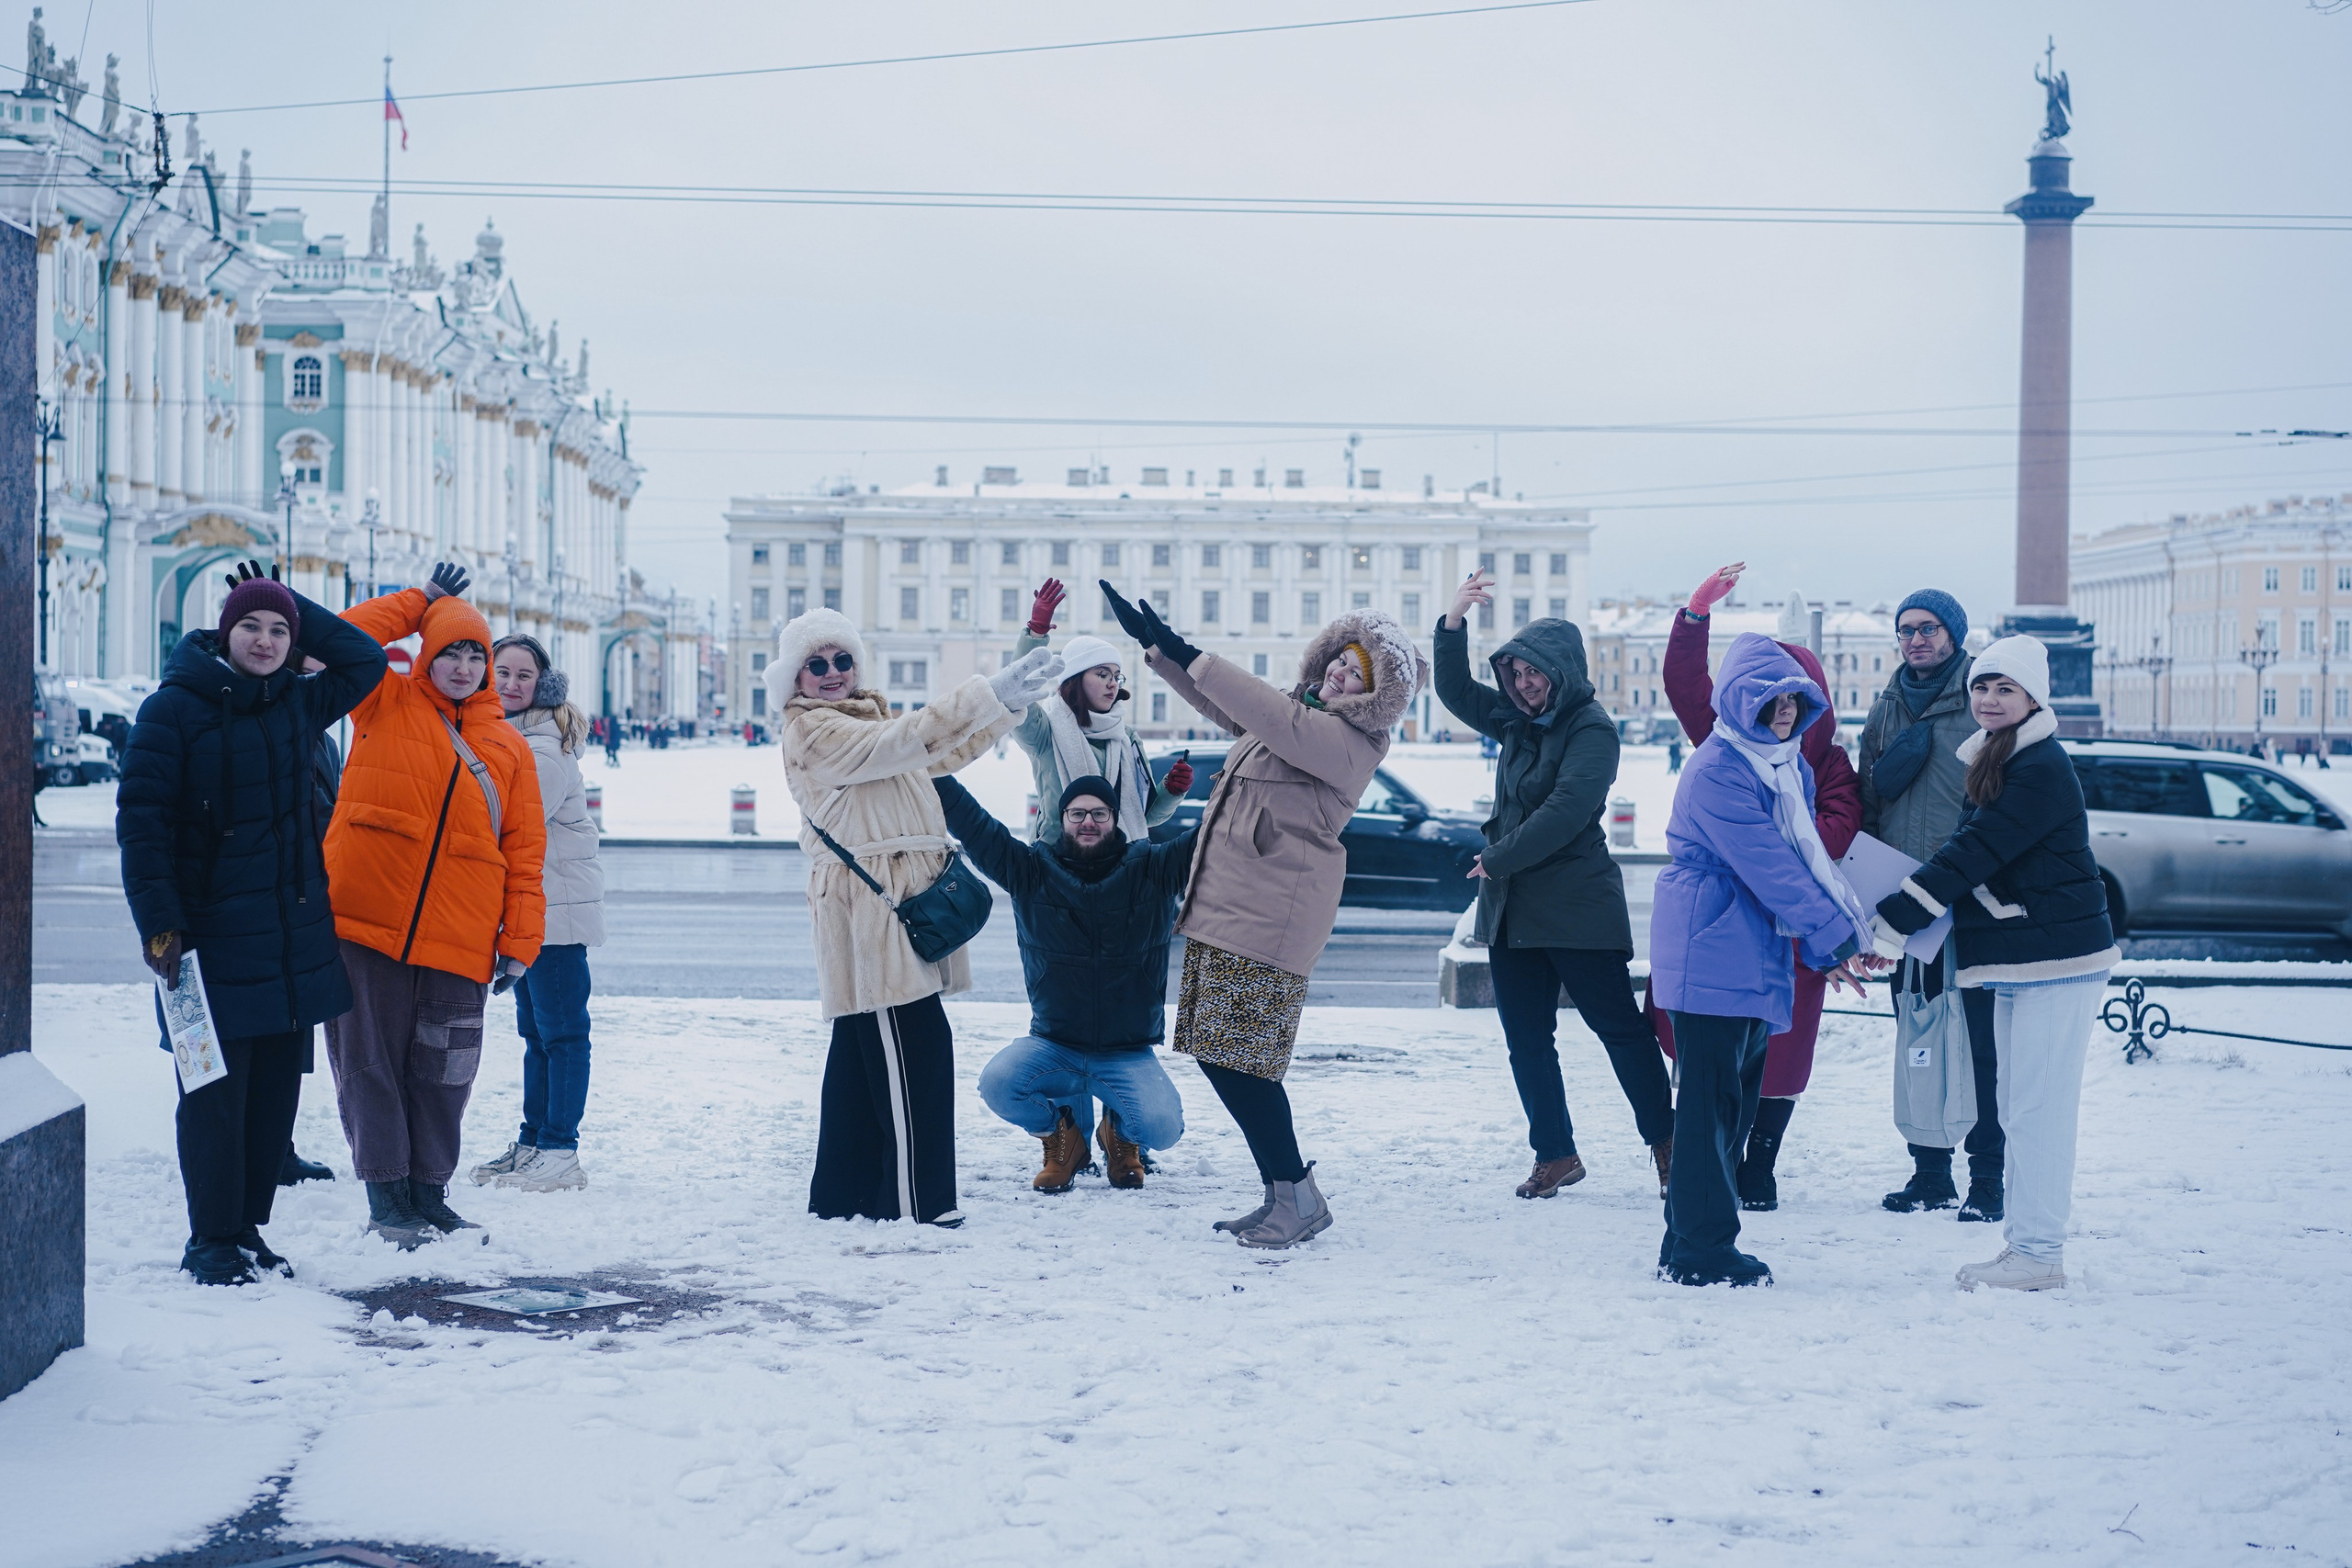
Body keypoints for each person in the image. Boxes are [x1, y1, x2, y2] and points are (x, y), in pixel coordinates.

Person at [1103, 581, 1427, 1248]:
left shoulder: (1349, 742)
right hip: (1230, 910)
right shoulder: (1299, 719)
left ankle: (1297, 1193)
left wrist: (1188, 649)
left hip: (1268, 923)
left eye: (1356, 671)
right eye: (1339, 659)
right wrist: (1158, 652)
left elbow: (1267, 714)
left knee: (1239, 1062)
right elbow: (1233, 709)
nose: (1339, 672)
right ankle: (1283, 1193)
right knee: (1222, 1055)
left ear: (1376, 692)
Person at [117, 561, 388, 1284]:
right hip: (201, 947)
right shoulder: (172, 709)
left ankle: (245, 1232)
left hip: (289, 941)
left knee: (270, 1099)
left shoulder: (296, 703)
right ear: (223, 632)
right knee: (211, 1096)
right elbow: (141, 826)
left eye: (278, 631)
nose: (264, 641)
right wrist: (160, 927)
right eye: (251, 625)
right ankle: (210, 1239)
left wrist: (295, 602)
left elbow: (364, 659)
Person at [774, 605, 1063, 1227]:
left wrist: (1008, 707)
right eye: (816, 663)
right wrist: (990, 690)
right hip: (869, 908)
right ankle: (917, 1202)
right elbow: (907, 740)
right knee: (915, 1046)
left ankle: (845, 1195)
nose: (832, 672)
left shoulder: (862, 722)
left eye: (842, 659)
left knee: (862, 1052)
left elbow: (941, 750)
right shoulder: (814, 731)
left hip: (887, 903)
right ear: (795, 678)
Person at [1870, 636, 2118, 1292]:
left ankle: (2039, 1252)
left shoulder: (2038, 765)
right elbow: (1965, 848)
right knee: (2015, 1105)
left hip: (2056, 959)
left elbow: (1977, 851)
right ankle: (2027, 1245)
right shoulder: (1998, 758)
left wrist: (1897, 917)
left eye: (2004, 689)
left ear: (2033, 697)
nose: (1988, 699)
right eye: (1981, 687)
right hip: (2025, 958)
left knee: (2038, 1108)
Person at [1432, 568, 1675, 1201]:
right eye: (1514, 672)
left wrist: (1499, 857)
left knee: (1619, 1028)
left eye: (1533, 672)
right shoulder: (1515, 718)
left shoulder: (1591, 727)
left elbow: (1568, 810)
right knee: (1527, 1041)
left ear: (1561, 668)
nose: (1521, 683)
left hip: (1576, 904)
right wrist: (1454, 620)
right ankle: (1556, 1153)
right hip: (1515, 909)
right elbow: (1456, 691)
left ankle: (1670, 1143)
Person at [323, 566, 547, 1249]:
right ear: (424, 651)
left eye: (476, 653)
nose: (464, 664)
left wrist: (521, 938)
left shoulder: (506, 745)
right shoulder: (382, 703)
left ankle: (431, 1192)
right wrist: (420, 602)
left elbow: (526, 850)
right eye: (450, 649)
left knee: (444, 1070)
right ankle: (387, 1195)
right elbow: (339, 639)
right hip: (367, 923)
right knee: (372, 1062)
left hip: (461, 933)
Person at [1649, 634, 1881, 1287]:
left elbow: (1809, 862)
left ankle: (1688, 1242)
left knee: (1733, 1111)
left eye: (1796, 698)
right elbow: (1773, 868)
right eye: (1772, 697)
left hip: (1751, 951)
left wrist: (1832, 940)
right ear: (1741, 699)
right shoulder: (1721, 766)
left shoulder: (1785, 768)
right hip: (1712, 945)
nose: (1785, 709)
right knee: (1710, 1112)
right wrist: (1838, 937)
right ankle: (1701, 1251)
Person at [940, 772, 1196, 1190]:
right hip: (1053, 1044)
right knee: (999, 1084)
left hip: (1126, 1051)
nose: (1088, 822)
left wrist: (1258, 777)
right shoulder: (1030, 871)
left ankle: (1121, 1137)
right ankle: (1063, 1139)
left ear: (1115, 819)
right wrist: (928, 767)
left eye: (1099, 813)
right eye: (1077, 813)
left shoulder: (1154, 869)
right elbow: (974, 824)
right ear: (1062, 819)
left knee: (1163, 1129)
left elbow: (1217, 834)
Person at [1857, 589, 2007, 1223]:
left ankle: (1988, 1180)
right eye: (1907, 629)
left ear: (1954, 634)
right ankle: (1929, 1172)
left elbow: (2002, 800)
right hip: (1904, 902)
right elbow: (1866, 797)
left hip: (1966, 898)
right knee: (1916, 1033)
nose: (1917, 639)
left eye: (1930, 628)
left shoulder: (1981, 703)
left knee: (1977, 1045)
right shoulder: (1888, 705)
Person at [469, 635, 605, 1192]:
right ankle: (534, 1141)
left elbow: (506, 822)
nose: (510, 684)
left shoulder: (542, 750)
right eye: (501, 672)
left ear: (542, 684)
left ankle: (559, 1149)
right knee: (536, 1034)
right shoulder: (510, 737)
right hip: (530, 912)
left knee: (562, 1034)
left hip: (555, 912)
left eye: (523, 676)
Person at [1009, 577, 1187, 846]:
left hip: (1119, 868)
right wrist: (1035, 634)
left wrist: (1171, 791)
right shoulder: (1046, 732)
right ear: (1075, 679)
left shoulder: (1126, 737)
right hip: (1057, 865)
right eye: (1102, 674)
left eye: (1117, 676)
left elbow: (1143, 815)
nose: (1113, 683)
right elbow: (1015, 692)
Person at [277, 658, 347, 1190]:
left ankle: (276, 1144)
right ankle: (248, 1149)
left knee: (289, 1035)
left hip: (303, 901)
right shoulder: (273, 725)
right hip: (256, 902)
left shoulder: (323, 737)